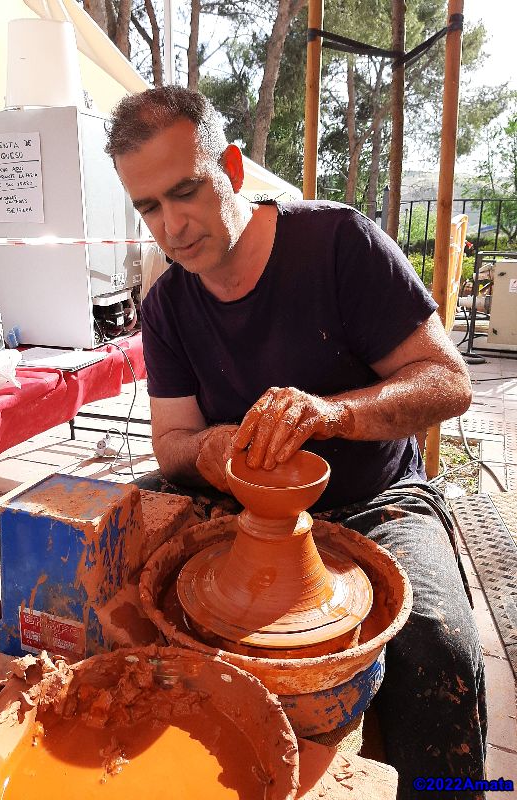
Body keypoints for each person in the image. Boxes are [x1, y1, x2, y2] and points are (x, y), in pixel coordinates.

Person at [106, 86, 486, 799]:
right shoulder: (168, 305)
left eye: (185, 191)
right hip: (242, 508)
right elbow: (173, 444)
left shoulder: (339, 244)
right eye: (148, 207)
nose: (172, 227)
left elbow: (449, 382)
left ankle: (445, 792)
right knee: (115, 576)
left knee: (440, 643)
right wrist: (211, 449)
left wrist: (333, 415)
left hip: (376, 498)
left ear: (231, 168)